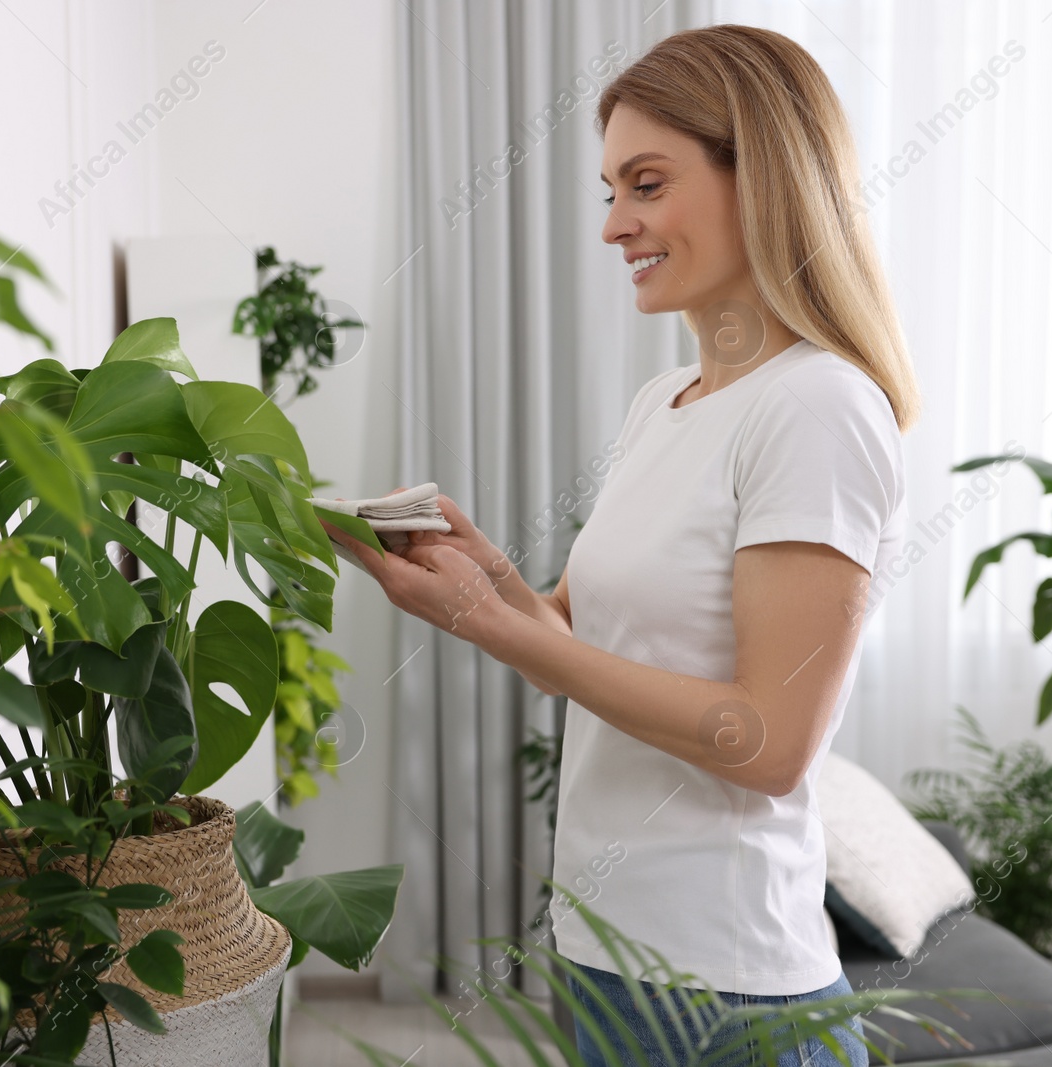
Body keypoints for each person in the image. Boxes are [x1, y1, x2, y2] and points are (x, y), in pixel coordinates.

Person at [319, 22, 918, 1067]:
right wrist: (485, 576)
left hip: (726, 987)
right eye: (610, 191)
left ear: (762, 176)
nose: (613, 226)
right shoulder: (666, 402)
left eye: (645, 184)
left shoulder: (817, 407)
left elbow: (769, 742)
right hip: (606, 953)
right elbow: (582, 623)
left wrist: (492, 628)